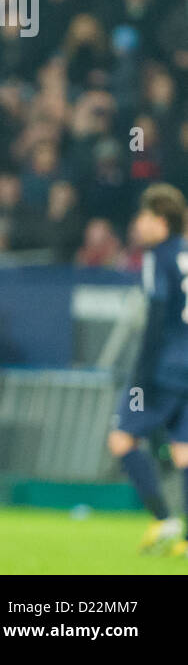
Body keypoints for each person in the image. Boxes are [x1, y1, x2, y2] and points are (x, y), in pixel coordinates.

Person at [106, 183, 188, 556]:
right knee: (184, 450)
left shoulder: (157, 257)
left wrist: (140, 375)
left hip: (164, 368)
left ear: (162, 221)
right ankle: (184, 540)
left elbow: (156, 319)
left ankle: (164, 519)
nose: (138, 224)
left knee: (122, 439)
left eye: (144, 216)